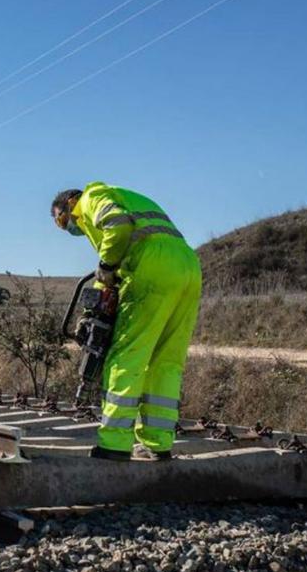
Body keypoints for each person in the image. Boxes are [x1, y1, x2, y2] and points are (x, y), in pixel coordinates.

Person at [50, 182, 202, 462]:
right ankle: (157, 444)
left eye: (63, 220)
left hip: (151, 267)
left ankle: (115, 444)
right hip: (188, 267)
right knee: (165, 362)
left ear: (71, 202)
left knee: (126, 356)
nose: (70, 228)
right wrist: (92, 305)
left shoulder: (93, 196)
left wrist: (106, 266)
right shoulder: (130, 198)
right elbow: (111, 268)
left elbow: (118, 227)